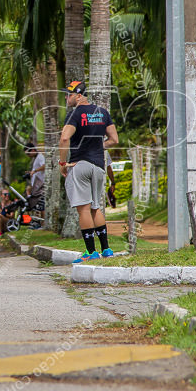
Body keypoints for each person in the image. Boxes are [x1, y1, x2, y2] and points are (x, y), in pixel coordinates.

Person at [58, 80, 119, 263]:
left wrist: (62, 162)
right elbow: (114, 139)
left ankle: (91, 252)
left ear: (78, 96)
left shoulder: (74, 114)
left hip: (79, 165)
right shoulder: (102, 112)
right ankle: (106, 249)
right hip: (99, 166)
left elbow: (64, 138)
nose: (67, 98)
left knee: (83, 209)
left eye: (69, 95)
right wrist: (95, 145)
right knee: (95, 207)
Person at [24, 143, 46, 226]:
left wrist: (35, 171)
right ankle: (37, 222)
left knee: (41, 203)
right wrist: (31, 172)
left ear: (33, 150)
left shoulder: (40, 157)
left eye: (28, 154)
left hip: (40, 185)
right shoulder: (36, 158)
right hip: (36, 185)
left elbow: (44, 166)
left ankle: (43, 223)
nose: (28, 156)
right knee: (36, 204)